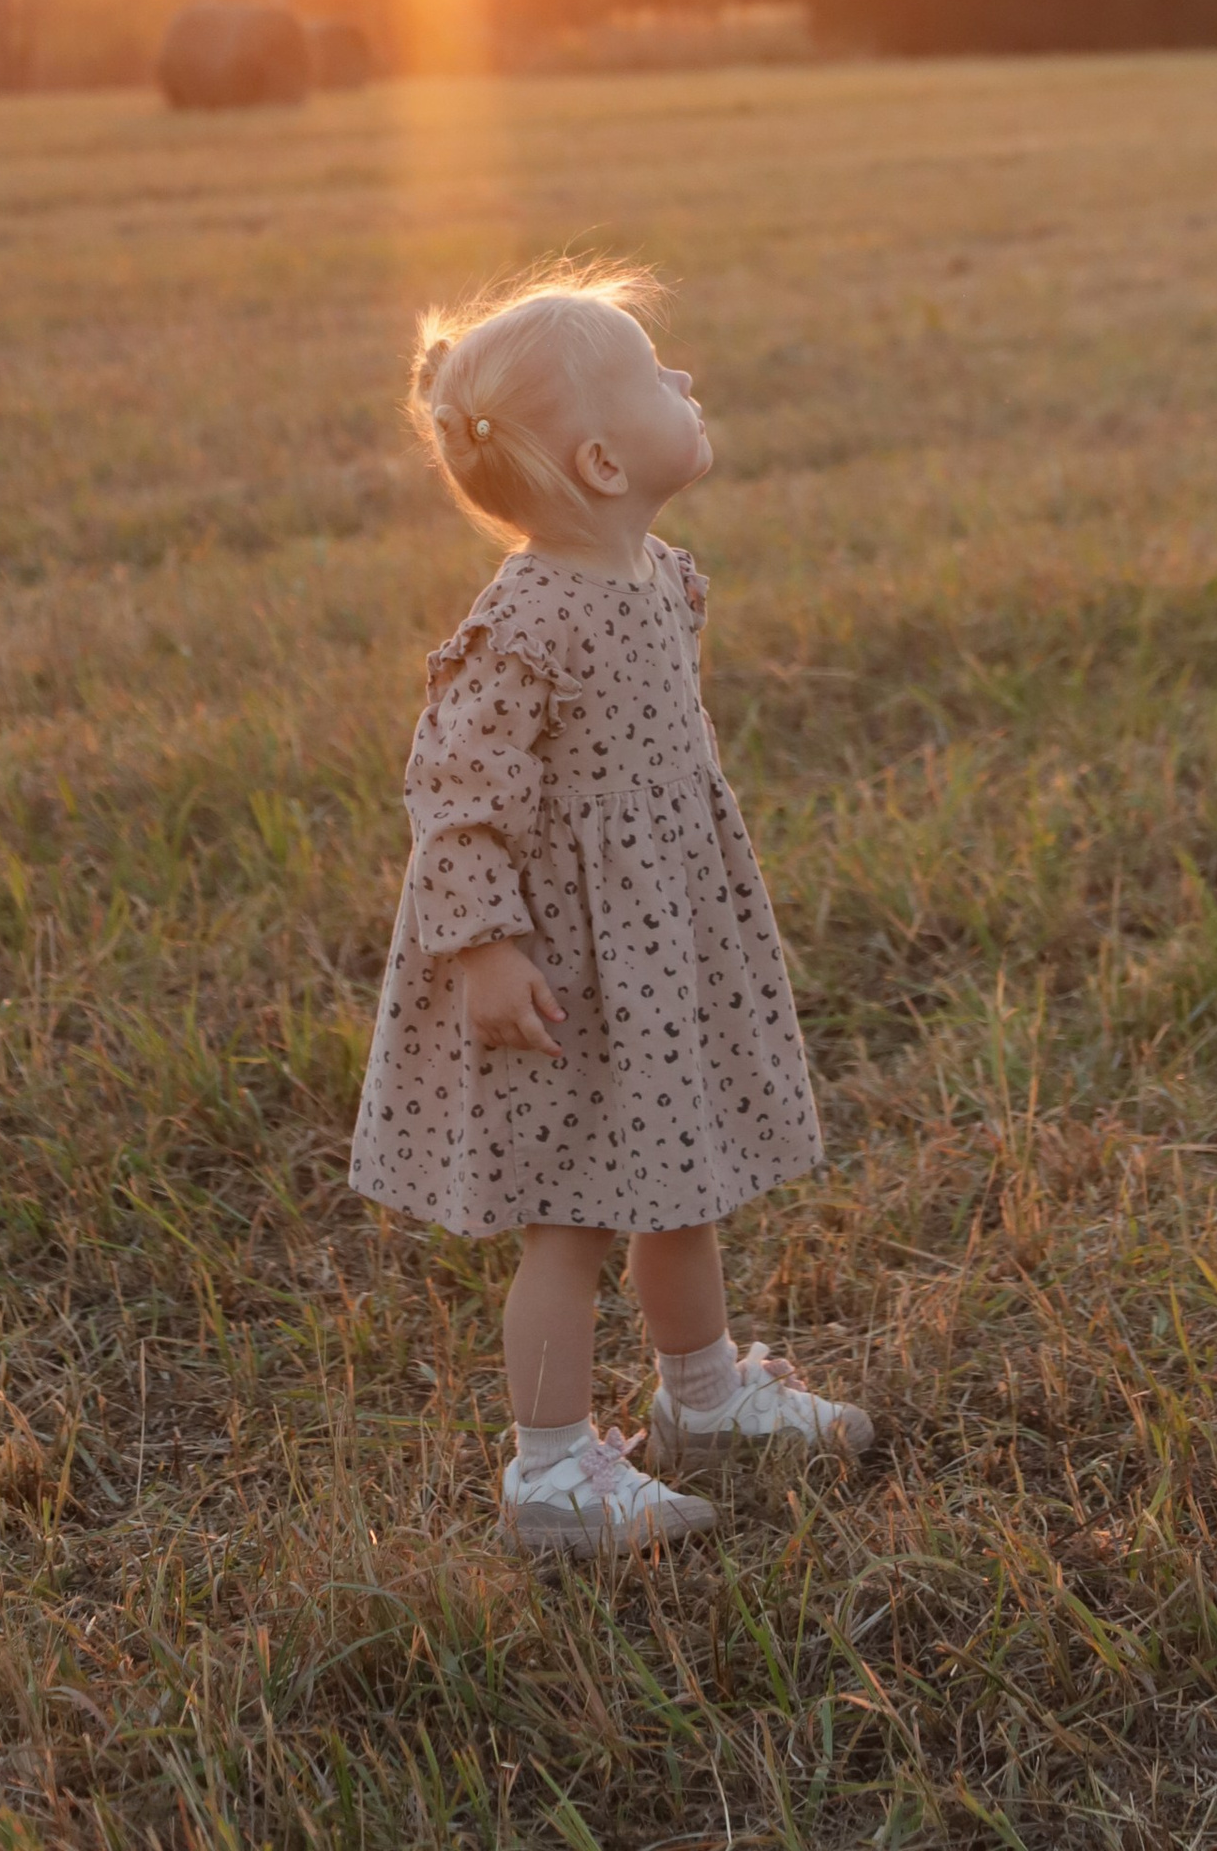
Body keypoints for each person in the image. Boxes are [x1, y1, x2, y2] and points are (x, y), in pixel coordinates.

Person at [350, 261, 869, 1553]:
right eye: (653, 376)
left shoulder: (660, 579)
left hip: (659, 942)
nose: (683, 380)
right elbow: (456, 796)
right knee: (574, 1213)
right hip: (564, 970)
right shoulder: (525, 622)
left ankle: (703, 1397)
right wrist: (485, 950)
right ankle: (551, 1471)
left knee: (678, 1171)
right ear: (597, 461)